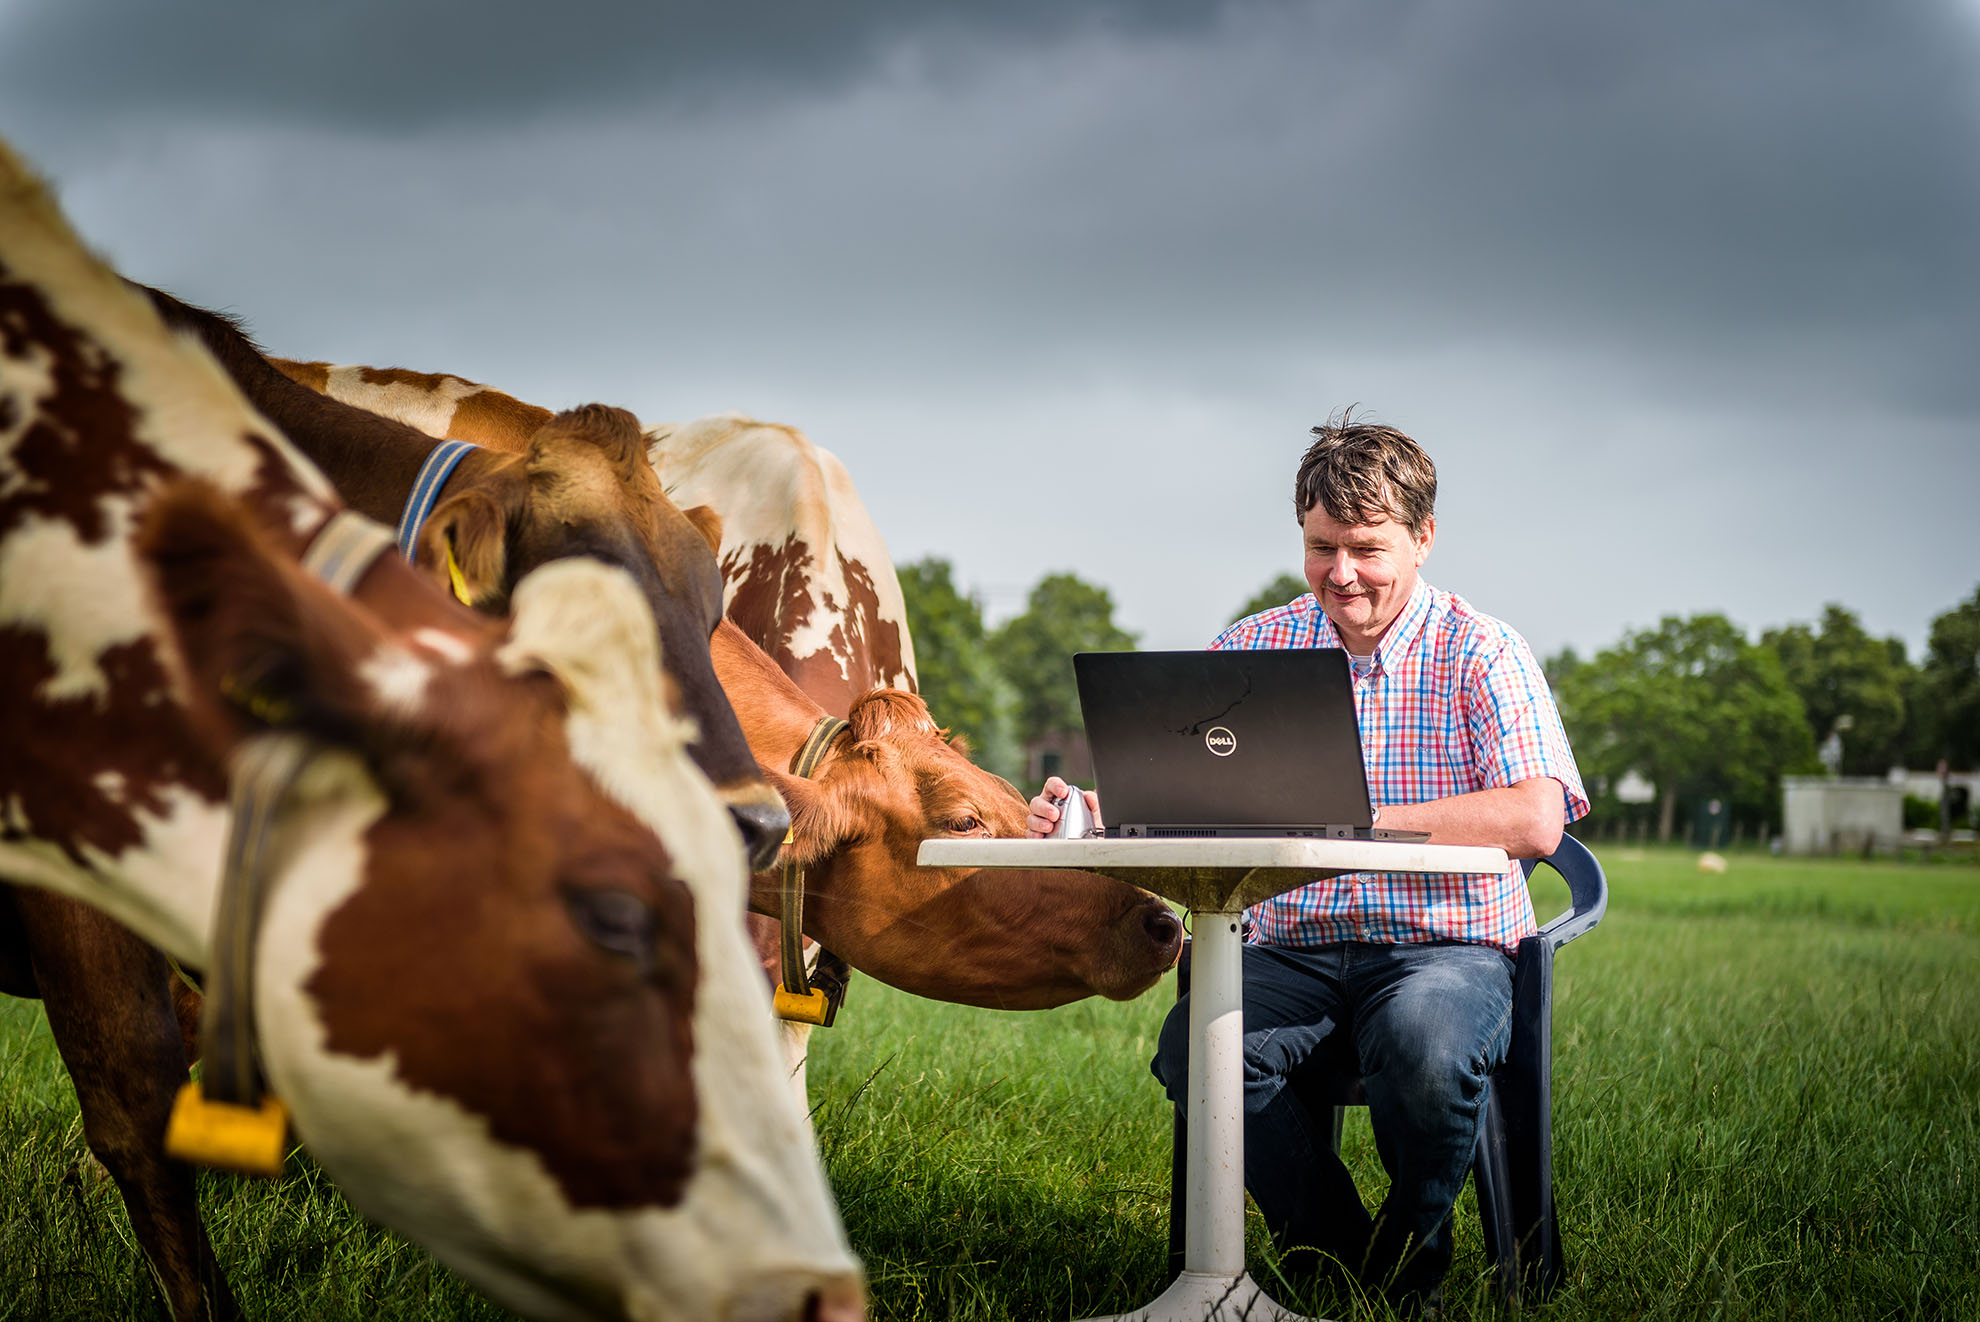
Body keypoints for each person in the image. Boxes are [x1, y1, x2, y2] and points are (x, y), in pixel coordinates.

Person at [1028, 415, 1587, 1309]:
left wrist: (1354, 826)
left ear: (1424, 538)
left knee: (1426, 1048)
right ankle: (1341, 1257)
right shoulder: (1254, 650)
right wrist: (1088, 809)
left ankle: (1409, 1276)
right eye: (1322, 547)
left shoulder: (1484, 652)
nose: (1342, 573)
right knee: (1195, 1053)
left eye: (1367, 547)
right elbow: (1183, 799)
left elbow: (1536, 818)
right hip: (1288, 948)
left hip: (1443, 949)